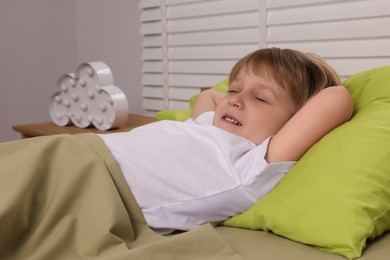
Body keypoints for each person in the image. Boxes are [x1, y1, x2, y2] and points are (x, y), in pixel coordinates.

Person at [99, 47, 353, 234]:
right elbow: (209, 96)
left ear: (296, 121)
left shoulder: (254, 162)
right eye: (233, 89)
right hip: (91, 151)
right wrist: (244, 95)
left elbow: (338, 97)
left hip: (99, 184)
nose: (233, 100)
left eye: (261, 98)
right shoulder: (206, 125)